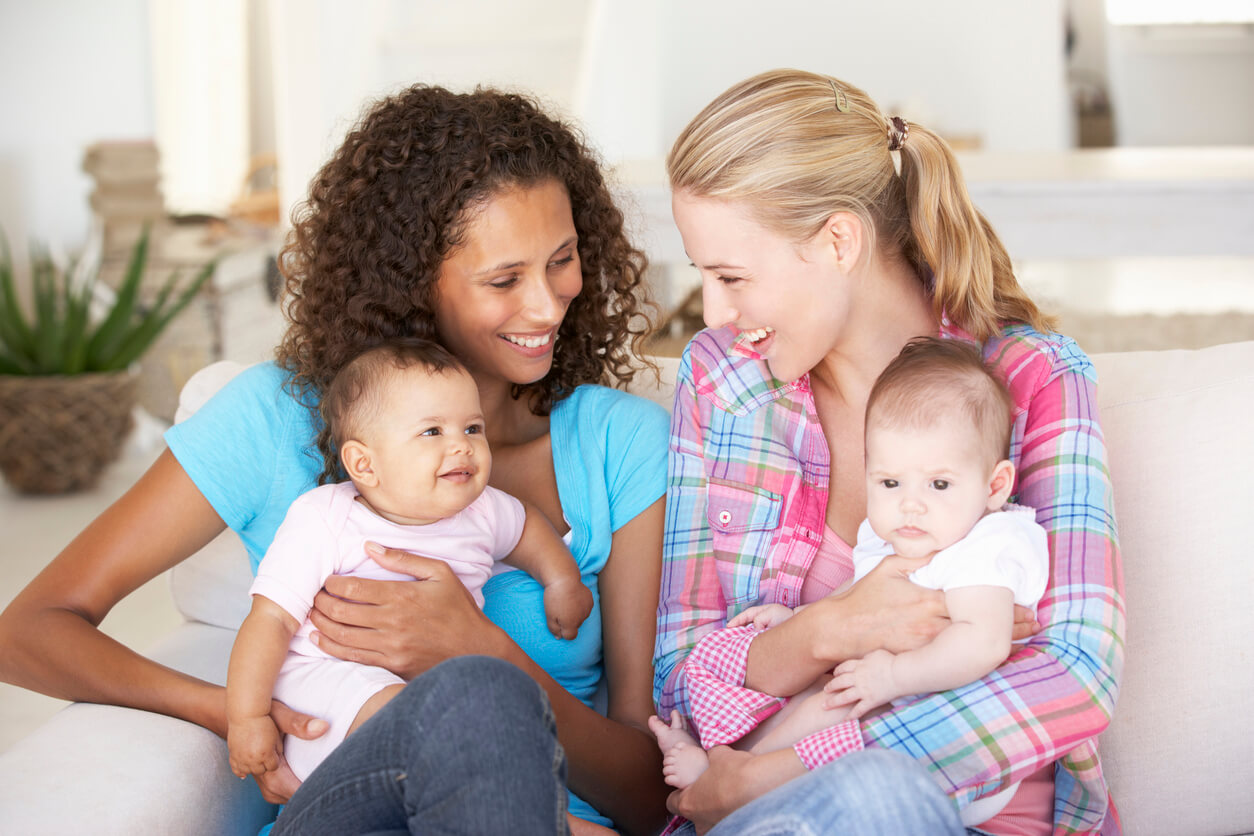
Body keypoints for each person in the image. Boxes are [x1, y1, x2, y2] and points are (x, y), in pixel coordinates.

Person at [0, 84, 671, 836]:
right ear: (413, 279)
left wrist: (476, 648)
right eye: (504, 279)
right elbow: (27, 630)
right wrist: (239, 712)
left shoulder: (621, 443)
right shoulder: (275, 420)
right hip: (350, 808)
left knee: (482, 694)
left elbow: (650, 796)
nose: (549, 306)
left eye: (563, 259)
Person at [653, 69, 1124, 835]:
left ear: (839, 239)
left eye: (731, 276)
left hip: (945, 817)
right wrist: (832, 629)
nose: (713, 312)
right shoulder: (722, 382)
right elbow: (678, 681)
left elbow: (1078, 675)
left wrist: (791, 766)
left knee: (876, 797)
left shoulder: (1031, 382)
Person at [650, 337, 1050, 827]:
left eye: (939, 484)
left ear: (994, 486)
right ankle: (726, 765)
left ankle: (727, 775)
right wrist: (796, 619)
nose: (910, 503)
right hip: (875, 713)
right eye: (889, 482)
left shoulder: (987, 545)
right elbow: (855, 603)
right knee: (812, 693)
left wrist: (892, 677)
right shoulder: (895, 538)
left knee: (835, 700)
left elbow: (983, 643)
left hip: (942, 746)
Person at [227, 338, 594, 785]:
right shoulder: (326, 518)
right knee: (407, 715)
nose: (462, 446)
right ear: (364, 464)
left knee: (492, 726)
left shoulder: (481, 510)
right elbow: (270, 620)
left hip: (434, 704)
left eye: (473, 429)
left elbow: (527, 529)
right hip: (329, 691)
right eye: (433, 432)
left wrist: (561, 580)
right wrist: (247, 717)